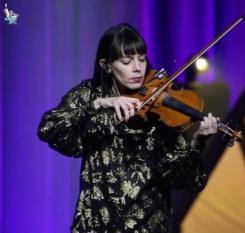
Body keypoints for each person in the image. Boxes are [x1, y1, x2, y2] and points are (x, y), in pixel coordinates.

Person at [38, 23, 218, 233]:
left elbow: (190, 181)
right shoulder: (89, 94)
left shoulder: (160, 110)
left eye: (141, 59)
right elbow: (48, 128)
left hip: (148, 225)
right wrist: (102, 103)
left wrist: (197, 143)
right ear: (106, 65)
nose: (137, 68)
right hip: (96, 224)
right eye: (126, 61)